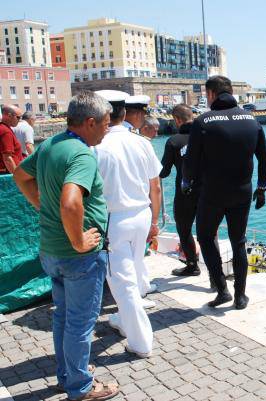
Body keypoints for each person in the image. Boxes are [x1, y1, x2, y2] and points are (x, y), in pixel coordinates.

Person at [12, 91, 119, 400]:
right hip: (78, 256)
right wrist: (79, 240)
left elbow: (20, 175)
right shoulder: (81, 154)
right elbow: (71, 202)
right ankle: (80, 386)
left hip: (51, 250)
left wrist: (40, 206)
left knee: (63, 317)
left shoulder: (51, 145)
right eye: (105, 124)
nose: (107, 129)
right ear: (90, 122)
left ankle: (67, 376)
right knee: (80, 324)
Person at [183, 75, 266, 310]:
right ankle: (241, 296)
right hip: (243, 192)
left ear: (211, 94)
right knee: (238, 241)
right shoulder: (252, 120)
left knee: (206, 236)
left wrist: (186, 183)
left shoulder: (203, 121)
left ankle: (222, 289)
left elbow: (190, 162)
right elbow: (264, 159)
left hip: (212, 193)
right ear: (230, 92)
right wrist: (261, 188)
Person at [94, 90, 162, 358]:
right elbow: (154, 186)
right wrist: (155, 219)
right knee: (133, 272)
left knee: (122, 284)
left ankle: (141, 342)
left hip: (114, 219)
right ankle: (124, 320)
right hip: (141, 215)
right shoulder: (142, 142)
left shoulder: (95, 146)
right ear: (123, 114)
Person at [160, 104, 201, 276]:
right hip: (207, 191)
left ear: (177, 120)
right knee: (209, 232)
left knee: (184, 229)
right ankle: (216, 277)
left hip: (185, 193)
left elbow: (164, 171)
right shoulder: (207, 137)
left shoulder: (174, 141)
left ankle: (192, 265)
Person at [0, 105, 24, 174]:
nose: (19, 120)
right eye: (18, 117)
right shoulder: (5, 132)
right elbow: (7, 158)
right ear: (9, 115)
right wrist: (17, 177)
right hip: (7, 173)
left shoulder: (4, 128)